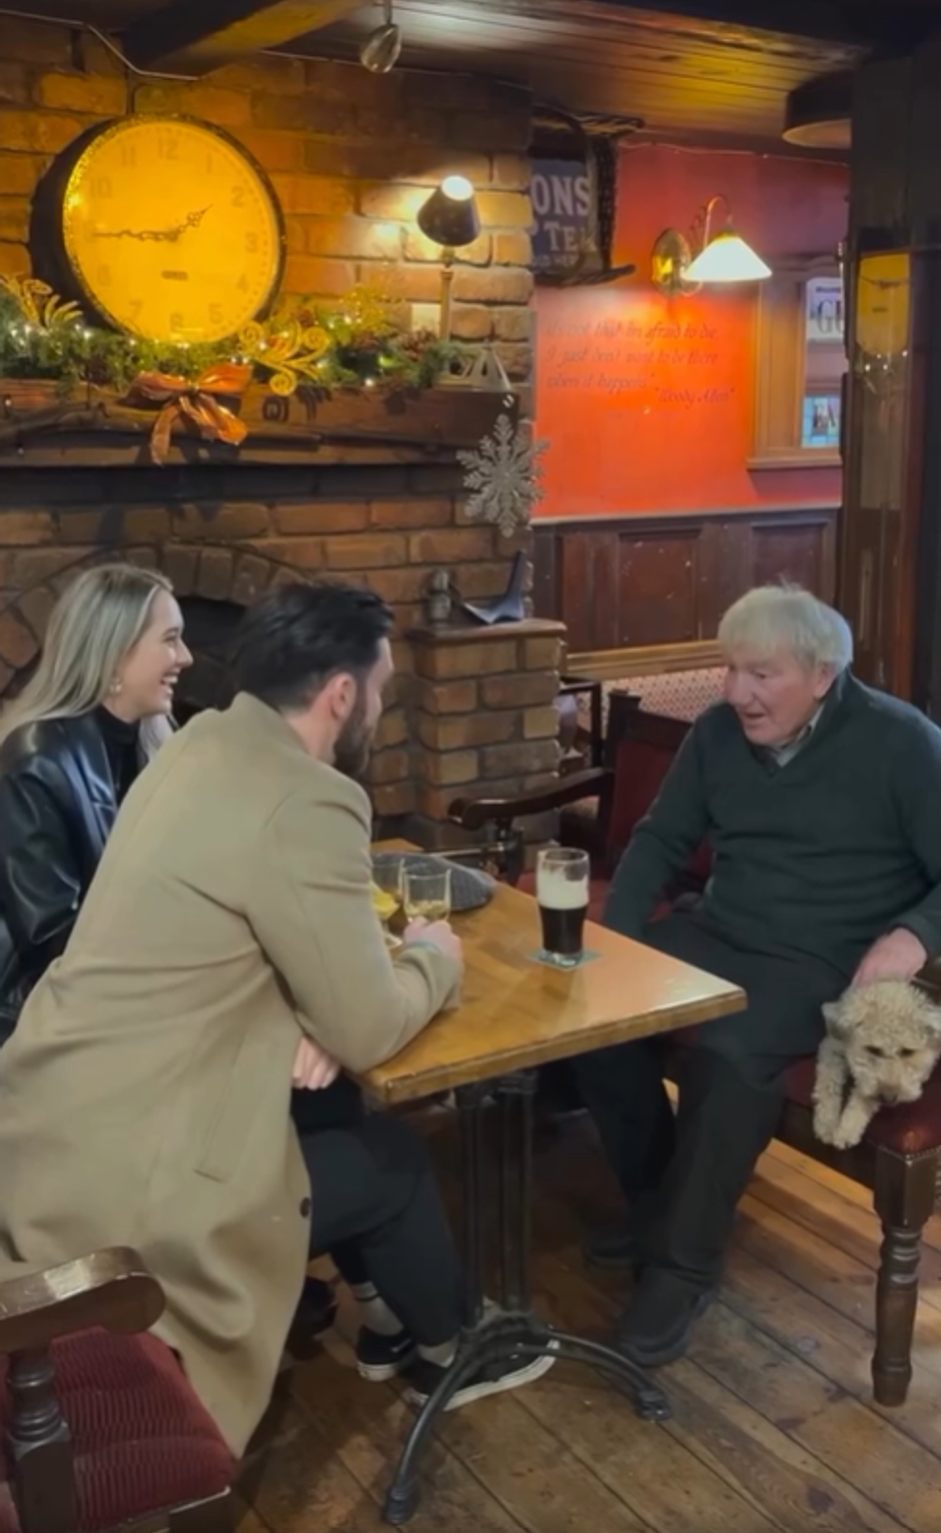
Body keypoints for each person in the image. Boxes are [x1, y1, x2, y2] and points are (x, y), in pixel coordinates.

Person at [0, 580, 551, 1460]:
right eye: (380, 689)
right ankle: (458, 1350)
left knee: (330, 1105)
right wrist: (433, 962)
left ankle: (383, 1325)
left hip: (46, 1126)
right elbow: (370, 1026)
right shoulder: (314, 799)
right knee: (394, 1159)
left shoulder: (194, 743)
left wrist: (314, 1010)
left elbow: (228, 932)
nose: (379, 704)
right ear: (341, 692)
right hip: (135, 1188)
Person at [576, 585, 941, 1370]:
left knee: (730, 1054)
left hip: (819, 957)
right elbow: (659, 840)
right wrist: (615, 948)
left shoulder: (902, 742)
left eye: (761, 674)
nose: (736, 693)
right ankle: (662, 1209)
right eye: (730, 670)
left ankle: (683, 1266)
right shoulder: (719, 734)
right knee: (596, 1017)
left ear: (823, 674)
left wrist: (911, 934)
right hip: (717, 926)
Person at [0, 563, 193, 1047]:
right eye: (170, 639)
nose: (186, 657)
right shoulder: (36, 762)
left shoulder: (153, 743)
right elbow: (54, 943)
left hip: (130, 993)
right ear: (113, 655)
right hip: (48, 1021)